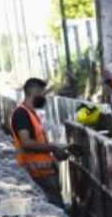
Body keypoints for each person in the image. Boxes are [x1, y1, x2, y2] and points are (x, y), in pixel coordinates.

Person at [10, 78, 79, 210]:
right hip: (38, 174)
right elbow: (27, 143)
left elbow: (39, 141)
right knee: (56, 209)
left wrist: (58, 149)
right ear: (35, 92)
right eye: (43, 93)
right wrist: (53, 147)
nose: (44, 97)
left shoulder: (31, 113)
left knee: (58, 207)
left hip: (44, 173)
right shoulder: (21, 114)